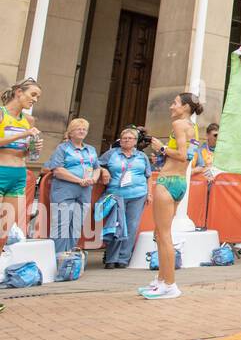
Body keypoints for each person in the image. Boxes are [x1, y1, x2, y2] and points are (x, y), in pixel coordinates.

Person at [138, 94, 202, 300]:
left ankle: (170, 284)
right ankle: (161, 280)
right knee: (160, 233)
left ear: (184, 107)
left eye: (174, 103)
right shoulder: (193, 126)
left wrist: (162, 148)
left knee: (164, 236)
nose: (171, 106)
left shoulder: (179, 124)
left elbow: (182, 155)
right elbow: (188, 156)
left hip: (168, 181)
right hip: (180, 182)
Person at [45, 118, 102, 255]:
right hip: (65, 189)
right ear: (70, 132)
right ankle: (58, 257)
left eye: (84, 129)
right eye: (78, 129)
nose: (82, 131)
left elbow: (96, 167)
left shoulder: (91, 149)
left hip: (85, 190)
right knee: (61, 224)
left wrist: (94, 178)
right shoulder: (62, 148)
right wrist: (78, 180)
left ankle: (69, 258)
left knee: (76, 225)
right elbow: (57, 170)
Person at [0, 78, 42, 258]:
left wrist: (33, 148)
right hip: (1, 170)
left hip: (18, 174)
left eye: (37, 96)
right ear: (19, 92)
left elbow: (26, 152)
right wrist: (24, 134)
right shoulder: (2, 114)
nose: (35, 99)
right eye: (33, 94)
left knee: (5, 228)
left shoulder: (29, 120)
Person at [100, 127, 152, 269]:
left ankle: (123, 258)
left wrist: (149, 193)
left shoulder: (142, 156)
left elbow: (148, 175)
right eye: (124, 138)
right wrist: (104, 170)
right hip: (116, 194)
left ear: (135, 141)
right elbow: (97, 165)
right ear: (120, 140)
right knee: (116, 226)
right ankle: (111, 258)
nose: (127, 140)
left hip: (138, 194)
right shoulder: (111, 154)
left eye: (130, 138)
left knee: (132, 226)